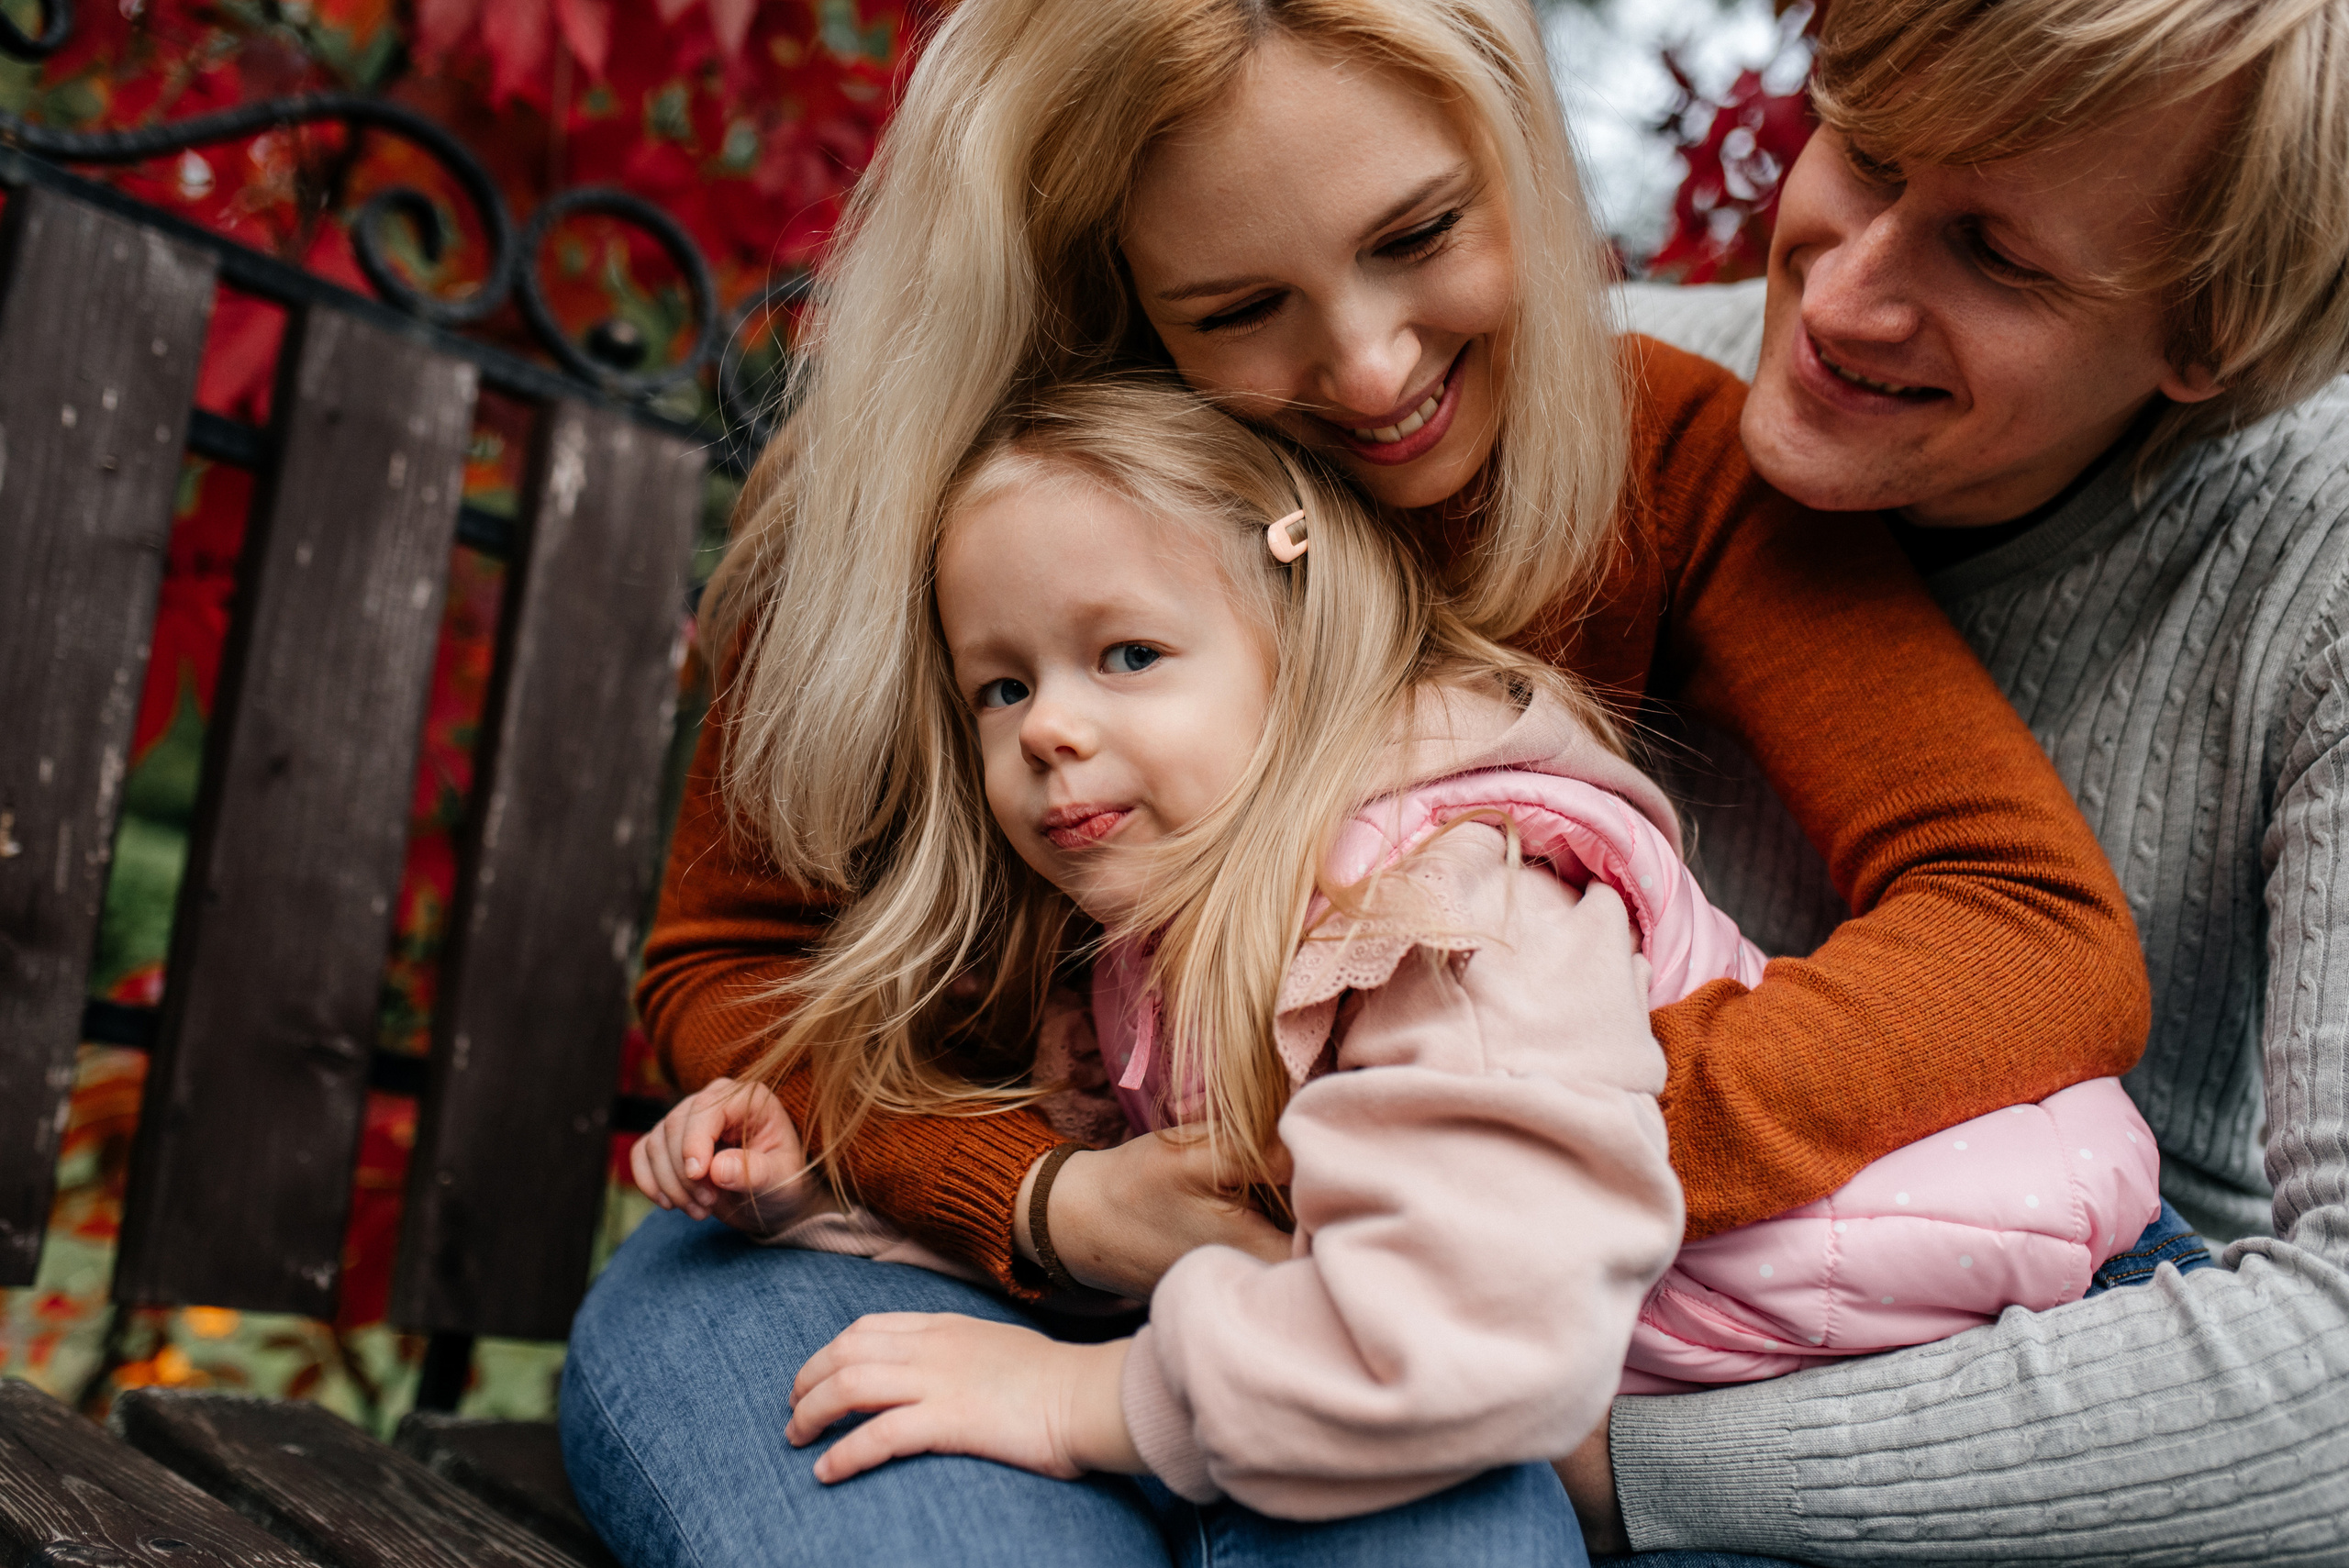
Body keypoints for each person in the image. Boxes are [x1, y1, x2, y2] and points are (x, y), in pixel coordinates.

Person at [559, 1, 2154, 1562]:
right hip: (901, 1253)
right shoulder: (921, 500)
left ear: (1510, 154)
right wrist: (1047, 1200)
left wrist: (1465, 1139)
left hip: (1381, 1299)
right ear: (1107, 289)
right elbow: (729, 964)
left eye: (1421, 231)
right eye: (1240, 305)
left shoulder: (1654, 456)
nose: (1376, 363)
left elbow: (2029, 927)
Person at [629, 377, 2165, 1518]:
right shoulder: (1164, 937)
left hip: (1971, 1294)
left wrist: (1086, 1398)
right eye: (998, 688)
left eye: (1128, 654)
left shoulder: (1434, 912)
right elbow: (1167, 1212)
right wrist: (817, 1189)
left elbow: (1451, 1335)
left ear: (1299, 662)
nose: (1052, 729)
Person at [1580, 0, 2349, 1559]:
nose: (1845, 295)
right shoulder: (1610, 408)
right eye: (1863, 153)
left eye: (1997, 258)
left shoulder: (2314, 578)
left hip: (2045, 1443)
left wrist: (1626, 1467)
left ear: (2217, 330)